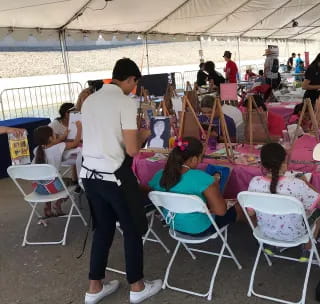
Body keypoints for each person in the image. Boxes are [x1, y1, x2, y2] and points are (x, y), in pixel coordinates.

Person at [81, 58, 162, 304]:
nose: (133, 88)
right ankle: (137, 286)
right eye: (134, 83)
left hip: (89, 174)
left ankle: (94, 287)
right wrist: (143, 135)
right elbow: (132, 150)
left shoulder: (90, 100)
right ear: (131, 79)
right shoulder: (125, 102)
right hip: (114, 175)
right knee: (133, 228)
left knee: (103, 229)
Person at [148, 137, 243, 236]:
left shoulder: (159, 175)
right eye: (200, 158)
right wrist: (205, 207)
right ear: (194, 159)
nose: (200, 161)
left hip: (174, 225)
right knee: (240, 208)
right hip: (200, 229)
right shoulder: (203, 179)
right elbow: (221, 211)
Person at [248, 143, 320, 260]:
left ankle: (273, 245)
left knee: (272, 215)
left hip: (265, 233)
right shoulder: (296, 184)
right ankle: (307, 250)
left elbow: (251, 213)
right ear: (284, 162)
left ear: (262, 164)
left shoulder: (254, 182)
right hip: (294, 235)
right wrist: (305, 182)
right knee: (319, 214)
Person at [32, 124, 82, 217]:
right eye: (54, 134)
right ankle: (58, 203)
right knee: (73, 182)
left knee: (46, 180)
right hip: (54, 187)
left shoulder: (36, 150)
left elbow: (51, 144)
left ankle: (48, 206)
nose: (56, 135)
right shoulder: (59, 147)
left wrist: (63, 136)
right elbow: (75, 143)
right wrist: (79, 128)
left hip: (38, 188)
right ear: (51, 138)